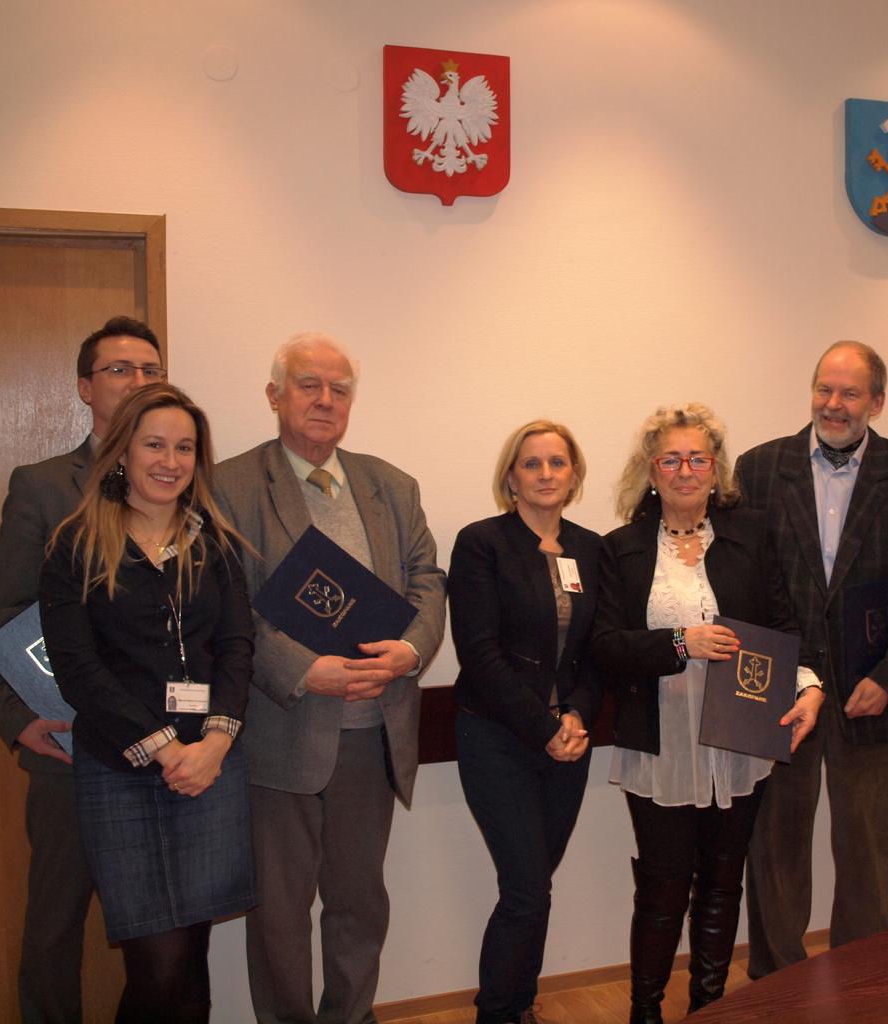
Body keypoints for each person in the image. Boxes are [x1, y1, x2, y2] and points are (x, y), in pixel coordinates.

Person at [213, 332, 447, 1024]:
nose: (324, 400)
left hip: (372, 733)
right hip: (280, 730)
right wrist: (301, 669)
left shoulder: (392, 486)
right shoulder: (228, 486)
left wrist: (409, 652)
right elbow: (223, 605)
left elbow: (428, 582)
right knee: (279, 912)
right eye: (308, 385)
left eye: (338, 389)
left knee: (358, 901)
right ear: (274, 395)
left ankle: (350, 1015)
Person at [592, 403, 823, 1024]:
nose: (685, 470)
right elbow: (605, 645)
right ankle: (645, 1012)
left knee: (723, 881)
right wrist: (680, 643)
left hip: (739, 738)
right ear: (651, 471)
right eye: (670, 459)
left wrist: (807, 686)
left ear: (716, 468)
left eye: (698, 458)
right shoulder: (621, 548)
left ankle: (709, 1007)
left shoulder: (751, 537)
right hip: (661, 743)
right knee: (663, 886)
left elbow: (783, 625)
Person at [39, 383, 254, 1024]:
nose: (170, 461)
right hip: (122, 769)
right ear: (122, 452)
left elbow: (236, 647)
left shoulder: (215, 543)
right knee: (156, 963)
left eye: (185, 448)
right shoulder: (76, 544)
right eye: (154, 444)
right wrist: (164, 747)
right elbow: (78, 669)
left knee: (191, 958)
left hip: (210, 766)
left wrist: (215, 743)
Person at [737, 340, 888, 976]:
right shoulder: (758, 468)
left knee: (866, 854)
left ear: (876, 402)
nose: (833, 404)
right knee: (774, 853)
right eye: (824, 389)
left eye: (850, 393)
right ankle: (777, 983)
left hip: (874, 698)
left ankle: (865, 984)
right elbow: (745, 587)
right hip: (778, 695)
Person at [0, 314, 164, 1023]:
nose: (137, 381)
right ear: (85, 388)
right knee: (56, 922)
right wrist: (14, 720)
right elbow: (5, 612)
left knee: (158, 927)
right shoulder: (40, 486)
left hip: (163, 746)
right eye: (120, 369)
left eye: (150, 370)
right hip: (67, 744)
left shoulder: (180, 481)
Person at [448, 420, 602, 1024]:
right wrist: (545, 729)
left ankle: (520, 1006)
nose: (545, 474)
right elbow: (479, 653)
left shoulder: (591, 549)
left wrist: (577, 715)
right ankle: (498, 1013)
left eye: (557, 463)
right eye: (531, 464)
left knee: (536, 887)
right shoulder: (481, 543)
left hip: (570, 738)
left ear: (574, 474)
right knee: (526, 890)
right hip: (497, 736)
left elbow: (595, 652)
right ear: (511, 478)